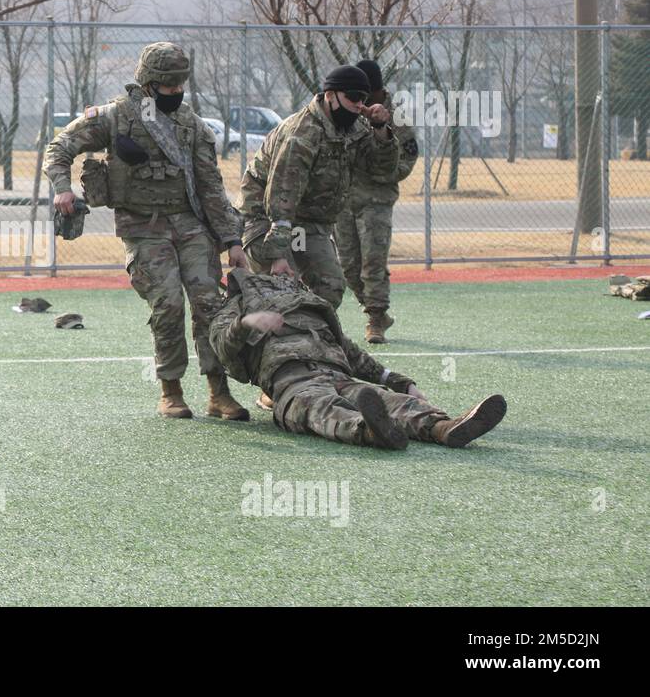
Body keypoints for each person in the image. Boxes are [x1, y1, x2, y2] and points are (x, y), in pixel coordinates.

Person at [44, 42, 249, 419]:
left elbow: (211, 187)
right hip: (144, 226)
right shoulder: (114, 117)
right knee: (168, 304)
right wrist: (62, 188)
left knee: (209, 305)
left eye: (179, 86)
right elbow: (59, 147)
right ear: (149, 84)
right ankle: (171, 390)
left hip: (190, 225)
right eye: (167, 86)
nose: (175, 93)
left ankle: (218, 392)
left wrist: (232, 239)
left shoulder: (191, 126)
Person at [211, 269, 507, 450]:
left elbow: (353, 354)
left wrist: (399, 382)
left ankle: (446, 428)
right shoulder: (233, 311)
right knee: (319, 408)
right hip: (292, 382)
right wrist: (246, 323)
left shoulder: (308, 306)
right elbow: (223, 350)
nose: (284, 278)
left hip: (338, 374)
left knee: (389, 400)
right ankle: (370, 431)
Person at [238, 65, 400, 309]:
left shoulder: (355, 128)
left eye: (363, 99)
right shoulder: (302, 133)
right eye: (353, 97)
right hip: (267, 219)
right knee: (281, 291)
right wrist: (278, 255)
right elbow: (282, 196)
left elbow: (382, 170)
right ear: (330, 95)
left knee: (330, 286)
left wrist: (380, 130)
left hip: (309, 223)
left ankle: (312, 343)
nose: (359, 105)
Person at [333, 59, 420, 343]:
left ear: (379, 91)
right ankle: (375, 311)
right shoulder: (348, 113)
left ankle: (375, 317)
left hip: (377, 199)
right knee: (349, 266)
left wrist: (382, 171)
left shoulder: (399, 118)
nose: (362, 100)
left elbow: (407, 160)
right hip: (345, 199)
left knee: (373, 260)